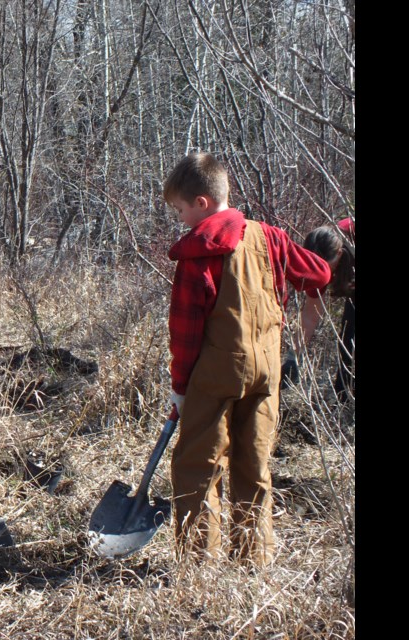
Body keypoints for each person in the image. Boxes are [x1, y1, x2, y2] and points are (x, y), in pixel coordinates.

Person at [163, 152, 331, 565]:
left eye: (181, 210)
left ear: (202, 203)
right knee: (254, 464)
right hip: (266, 374)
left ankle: (200, 565)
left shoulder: (197, 255)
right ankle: (253, 559)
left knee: (198, 466)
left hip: (215, 376)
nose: (181, 219)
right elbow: (321, 274)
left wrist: (180, 389)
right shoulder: (269, 237)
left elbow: (185, 334)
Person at [299, 220, 355, 403]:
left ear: (339, 253)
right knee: (348, 338)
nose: (320, 272)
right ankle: (343, 399)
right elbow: (310, 315)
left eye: (326, 267)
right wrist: (294, 355)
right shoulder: (318, 258)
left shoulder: (351, 238)